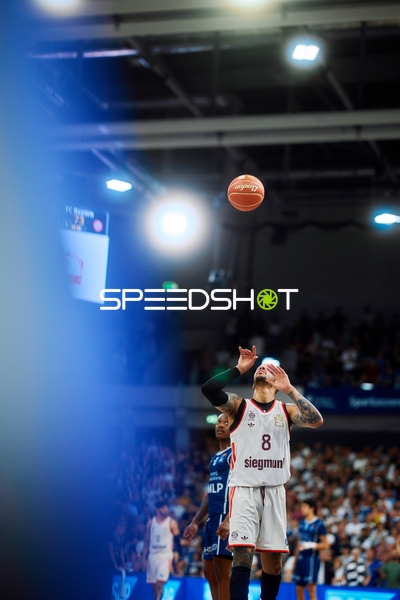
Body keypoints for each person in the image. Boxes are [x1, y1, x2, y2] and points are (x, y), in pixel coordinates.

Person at [201, 345, 323, 600]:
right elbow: (209, 390)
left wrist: (290, 389)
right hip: (244, 489)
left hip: (275, 491)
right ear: (253, 381)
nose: (262, 369)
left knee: (273, 564)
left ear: (276, 383)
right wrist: (239, 368)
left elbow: (316, 420)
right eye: (259, 368)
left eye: (268, 369)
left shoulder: (286, 409)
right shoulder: (239, 406)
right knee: (242, 554)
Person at [184, 414, 232, 600]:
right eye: (218, 422)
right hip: (212, 518)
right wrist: (195, 522)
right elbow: (209, 493)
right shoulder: (214, 458)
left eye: (226, 423)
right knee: (209, 571)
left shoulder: (235, 453)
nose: (220, 425)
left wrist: (229, 519)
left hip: (225, 514)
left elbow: (242, 489)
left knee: (222, 570)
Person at [292, 499, 330, 600]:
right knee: (298, 589)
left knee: (311, 589)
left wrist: (311, 545)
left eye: (304, 506)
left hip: (311, 560)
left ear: (311, 508)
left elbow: (326, 545)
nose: (301, 509)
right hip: (300, 560)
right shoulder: (302, 523)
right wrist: (294, 562)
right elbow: (299, 544)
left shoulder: (319, 524)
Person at [143, 501, 180, 600]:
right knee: (154, 585)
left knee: (160, 582)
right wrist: (143, 557)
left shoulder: (172, 523)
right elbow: (146, 541)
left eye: (166, 507)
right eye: (163, 507)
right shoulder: (150, 523)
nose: (165, 509)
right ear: (157, 509)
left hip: (165, 554)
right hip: (153, 555)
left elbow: (177, 540)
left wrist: (177, 553)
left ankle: (158, 598)